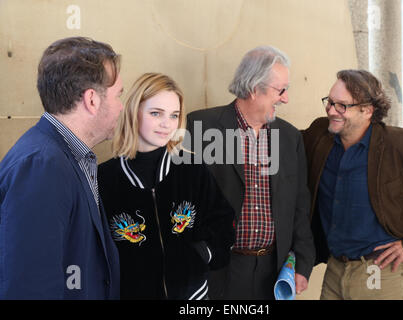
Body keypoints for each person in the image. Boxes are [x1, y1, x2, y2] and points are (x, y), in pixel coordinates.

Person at [302, 69, 403, 300]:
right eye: (329, 102)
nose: (331, 110)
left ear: (367, 110)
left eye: (342, 105)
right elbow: (282, 141)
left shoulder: (402, 145)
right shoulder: (319, 135)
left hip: (384, 275)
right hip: (334, 271)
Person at [185, 46, 315, 299]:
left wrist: (303, 261)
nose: (286, 98)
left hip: (273, 271)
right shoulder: (199, 126)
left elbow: (300, 203)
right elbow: (182, 200)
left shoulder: (290, 137)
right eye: (281, 90)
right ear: (255, 88)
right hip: (218, 269)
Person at [0, 37, 123, 299]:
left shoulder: (65, 156)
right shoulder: (41, 166)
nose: (122, 107)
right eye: (118, 96)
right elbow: (29, 288)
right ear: (92, 100)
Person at [98, 73, 235, 300]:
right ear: (134, 112)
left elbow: (224, 223)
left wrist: (202, 253)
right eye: (156, 113)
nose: (166, 124)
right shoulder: (103, 179)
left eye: (174, 115)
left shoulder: (192, 169)